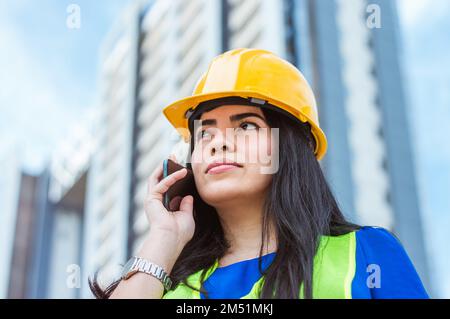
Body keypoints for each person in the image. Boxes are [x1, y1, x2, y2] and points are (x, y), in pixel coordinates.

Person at [90, 48, 429, 299]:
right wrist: (165, 237)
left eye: (246, 126)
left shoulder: (365, 253)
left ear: (290, 148)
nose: (217, 143)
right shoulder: (166, 286)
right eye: (204, 133)